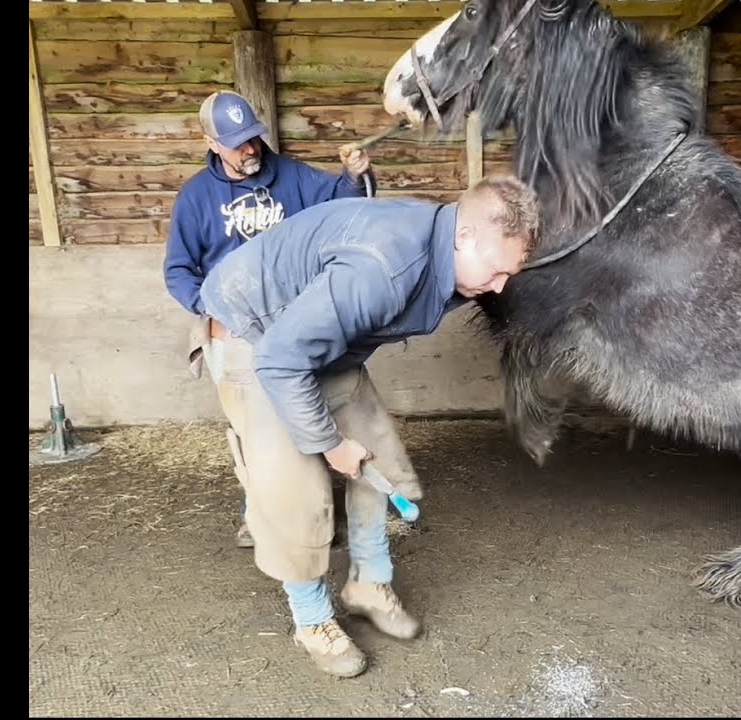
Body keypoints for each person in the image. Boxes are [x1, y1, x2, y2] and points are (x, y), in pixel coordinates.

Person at [196, 175, 541, 677]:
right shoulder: (383, 268)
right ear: (464, 237)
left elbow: (324, 338)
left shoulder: (456, 255)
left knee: (376, 452)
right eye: (496, 270)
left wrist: (347, 443)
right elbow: (280, 360)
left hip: (313, 339)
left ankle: (368, 583)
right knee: (294, 484)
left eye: (511, 273)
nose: (500, 286)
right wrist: (329, 444)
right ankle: (312, 619)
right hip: (256, 334)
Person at [164, 89, 376, 549]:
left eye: (253, 138)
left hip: (295, 324)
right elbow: (178, 268)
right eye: (238, 143)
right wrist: (208, 305)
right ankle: (256, 513)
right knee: (253, 429)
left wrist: (355, 175)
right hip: (235, 330)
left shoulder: (292, 176)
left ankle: (315, 517)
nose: (251, 149)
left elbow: (341, 206)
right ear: (211, 142)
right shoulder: (196, 197)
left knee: (309, 415)